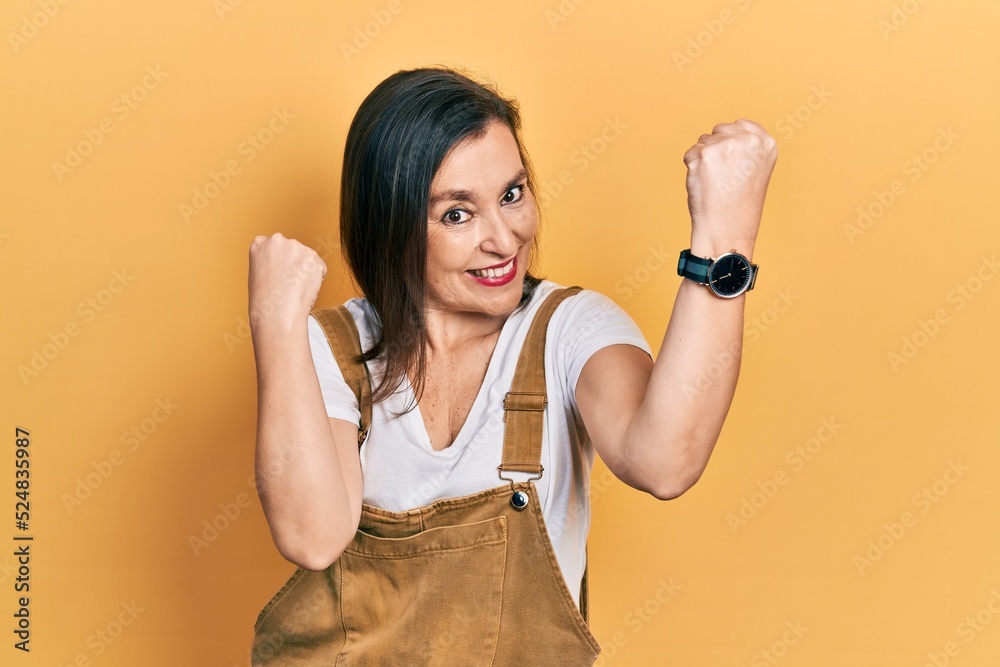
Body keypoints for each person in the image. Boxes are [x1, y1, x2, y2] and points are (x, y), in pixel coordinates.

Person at [247, 66, 777, 665]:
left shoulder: (570, 329)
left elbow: (665, 462)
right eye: (456, 214)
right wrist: (275, 323)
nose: (505, 239)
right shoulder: (334, 348)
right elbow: (311, 536)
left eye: (511, 194)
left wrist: (724, 235)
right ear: (391, 228)